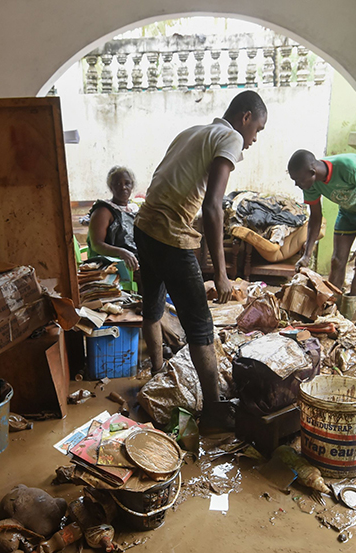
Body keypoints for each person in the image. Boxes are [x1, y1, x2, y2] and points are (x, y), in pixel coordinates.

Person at [135, 90, 267, 432]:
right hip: (169, 236)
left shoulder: (192, 131)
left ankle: (157, 375)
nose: (253, 140)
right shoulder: (231, 137)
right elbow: (213, 206)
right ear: (246, 117)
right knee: (201, 328)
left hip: (144, 228)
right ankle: (212, 410)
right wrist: (222, 274)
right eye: (258, 129)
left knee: (152, 307)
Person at [289, 150, 356, 319]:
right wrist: (307, 254)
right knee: (337, 261)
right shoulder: (310, 184)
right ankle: (332, 314)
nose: (296, 185)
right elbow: (315, 217)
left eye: (298, 180)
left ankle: (348, 318)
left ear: (312, 173)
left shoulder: (349, 168)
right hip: (348, 211)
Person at [87, 166, 139, 272]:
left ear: (132, 186)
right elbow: (97, 245)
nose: (123, 187)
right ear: (111, 187)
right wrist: (121, 252)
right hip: (113, 263)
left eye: (127, 183)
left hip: (133, 259)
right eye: (118, 184)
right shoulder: (103, 211)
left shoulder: (134, 209)